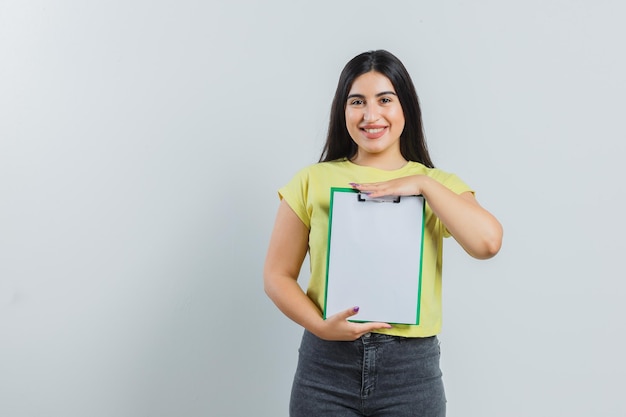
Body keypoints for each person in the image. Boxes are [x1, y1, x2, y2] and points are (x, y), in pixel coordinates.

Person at [263, 49, 503, 417]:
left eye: (385, 100)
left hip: (410, 373)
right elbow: (277, 275)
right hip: (326, 368)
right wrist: (320, 327)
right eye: (357, 101)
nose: (370, 115)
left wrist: (422, 184)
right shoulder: (312, 180)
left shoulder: (438, 185)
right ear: (342, 110)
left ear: (405, 106)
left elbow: (487, 243)